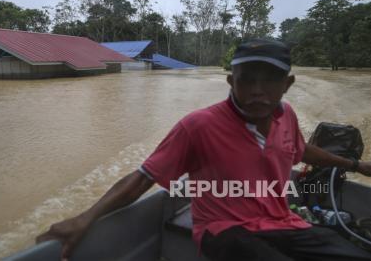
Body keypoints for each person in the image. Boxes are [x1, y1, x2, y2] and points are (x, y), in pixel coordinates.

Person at [36, 39, 371, 261]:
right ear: (231, 81)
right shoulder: (197, 126)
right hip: (223, 230)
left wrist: (355, 165)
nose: (257, 90)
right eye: (246, 79)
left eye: (269, 79)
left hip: (281, 221)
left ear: (288, 84)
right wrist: (85, 218)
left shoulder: (288, 116)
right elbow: (143, 178)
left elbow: (303, 152)